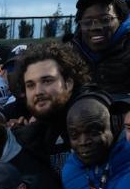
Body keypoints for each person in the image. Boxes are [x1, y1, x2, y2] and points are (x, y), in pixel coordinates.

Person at [11, 41, 90, 178]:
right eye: (30, 85)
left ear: (68, 83)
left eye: (47, 81)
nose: (38, 91)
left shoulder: (92, 116)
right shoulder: (31, 137)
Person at [70, 0, 130, 96]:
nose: (95, 27)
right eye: (87, 22)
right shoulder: (69, 54)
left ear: (121, 19)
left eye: (105, 19)